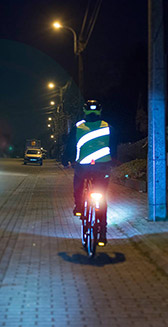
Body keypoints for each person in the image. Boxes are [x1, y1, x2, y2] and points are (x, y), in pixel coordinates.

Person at [62, 99, 117, 245]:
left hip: (83, 167)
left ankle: (79, 206)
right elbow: (114, 146)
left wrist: (66, 159)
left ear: (85, 110)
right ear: (100, 110)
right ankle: (102, 234)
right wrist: (115, 160)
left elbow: (70, 146)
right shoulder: (108, 127)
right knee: (102, 197)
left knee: (78, 185)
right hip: (103, 167)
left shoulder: (78, 127)